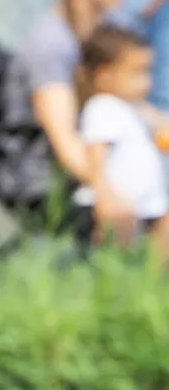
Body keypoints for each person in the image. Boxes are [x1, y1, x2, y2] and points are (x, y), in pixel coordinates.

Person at [6, 0, 167, 234]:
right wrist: (110, 191)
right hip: (54, 181)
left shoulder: (111, 29)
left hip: (109, 163)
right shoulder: (51, 42)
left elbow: (137, 109)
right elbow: (65, 142)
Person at [71, 25, 169, 257]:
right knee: (113, 258)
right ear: (105, 77)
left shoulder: (133, 109)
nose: (145, 82)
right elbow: (96, 154)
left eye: (147, 72)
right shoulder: (103, 107)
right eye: (136, 72)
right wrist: (104, 194)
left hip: (145, 205)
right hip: (116, 205)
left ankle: (150, 287)